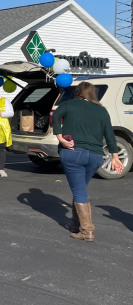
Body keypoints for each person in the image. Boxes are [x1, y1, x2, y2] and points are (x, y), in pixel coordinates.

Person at [53, 82, 123, 241]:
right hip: (96, 156)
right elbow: (109, 135)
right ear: (93, 94)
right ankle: (74, 223)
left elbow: (56, 116)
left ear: (78, 92)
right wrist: (115, 156)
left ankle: (87, 230)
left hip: (73, 153)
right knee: (80, 188)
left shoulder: (69, 104)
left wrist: (60, 137)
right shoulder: (101, 110)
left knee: (79, 190)